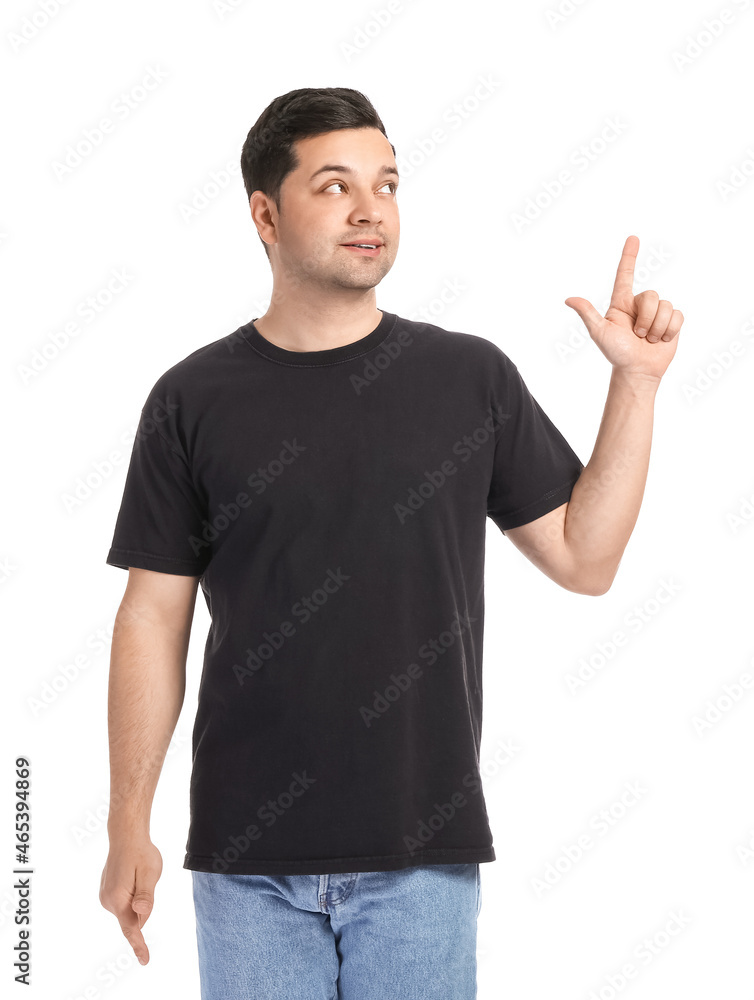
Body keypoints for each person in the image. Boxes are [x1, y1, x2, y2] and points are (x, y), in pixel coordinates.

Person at [98, 87, 683, 999]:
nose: (371, 209)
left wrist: (636, 386)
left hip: (422, 858)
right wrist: (126, 820)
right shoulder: (191, 399)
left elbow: (586, 557)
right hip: (246, 863)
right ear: (265, 213)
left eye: (388, 183)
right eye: (334, 186)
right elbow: (150, 618)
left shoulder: (467, 377)